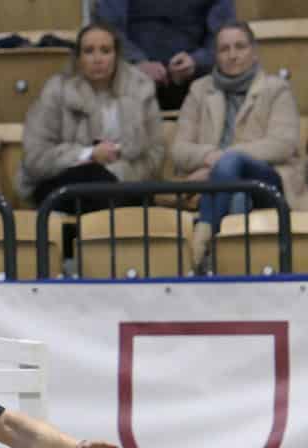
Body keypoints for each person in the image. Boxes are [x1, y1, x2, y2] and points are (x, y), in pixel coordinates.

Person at [172, 21, 306, 273]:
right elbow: (179, 149)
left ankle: (204, 237)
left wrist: (221, 161)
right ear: (216, 55)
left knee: (232, 162)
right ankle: (233, 270)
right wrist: (211, 157)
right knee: (237, 196)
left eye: (240, 47)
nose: (232, 55)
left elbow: (282, 144)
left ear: (254, 52)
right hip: (224, 186)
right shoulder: (200, 90)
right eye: (224, 49)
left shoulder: (276, 89)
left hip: (268, 181)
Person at [19, 21, 165, 213]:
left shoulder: (139, 90)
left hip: (123, 181)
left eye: (105, 51)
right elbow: (35, 157)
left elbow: (154, 154)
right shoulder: (57, 91)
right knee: (94, 176)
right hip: (63, 182)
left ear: (117, 56)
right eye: (89, 51)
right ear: (78, 58)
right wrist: (88, 154)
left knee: (125, 193)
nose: (98, 59)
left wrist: (119, 172)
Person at [95, 0, 235, 111]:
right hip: (131, 78)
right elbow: (109, 27)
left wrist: (197, 61)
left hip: (198, 79)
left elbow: (222, 33)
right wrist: (137, 62)